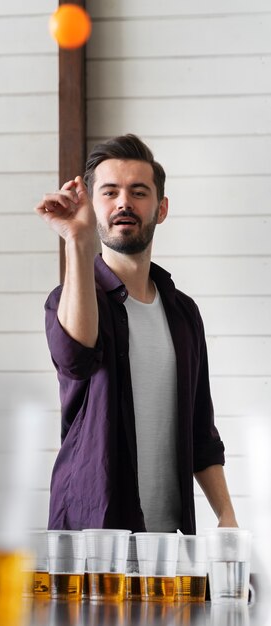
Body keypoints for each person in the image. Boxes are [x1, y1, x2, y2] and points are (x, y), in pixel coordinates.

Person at [35, 133, 237, 534]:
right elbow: (77, 358)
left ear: (160, 209)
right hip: (94, 535)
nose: (124, 202)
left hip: (167, 544)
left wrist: (226, 515)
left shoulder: (183, 313)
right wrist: (78, 240)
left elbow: (201, 429)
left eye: (138, 192)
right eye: (109, 192)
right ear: (93, 207)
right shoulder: (69, 301)